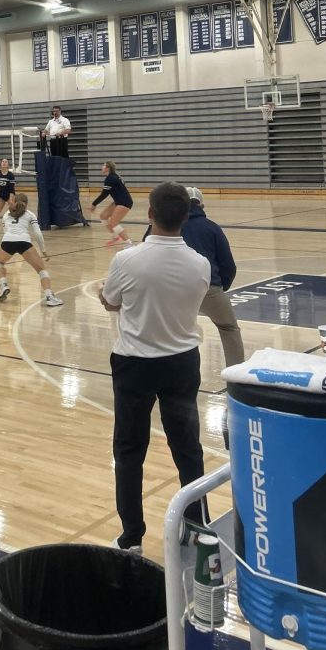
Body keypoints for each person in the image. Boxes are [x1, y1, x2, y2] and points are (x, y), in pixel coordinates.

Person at [99, 182, 210, 553]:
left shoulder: (127, 261)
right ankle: (196, 524)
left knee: (129, 450)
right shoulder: (200, 264)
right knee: (188, 448)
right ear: (186, 216)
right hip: (182, 364)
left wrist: (109, 297)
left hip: (135, 366)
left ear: (150, 215)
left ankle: (132, 537)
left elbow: (111, 302)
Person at [183, 188, 244, 367]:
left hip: (176, 289)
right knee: (229, 328)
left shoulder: (170, 225)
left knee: (176, 329)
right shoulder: (212, 227)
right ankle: (236, 373)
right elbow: (228, 265)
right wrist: (219, 288)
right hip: (209, 287)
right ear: (201, 205)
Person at [0, 194, 63, 307]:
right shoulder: (30, 214)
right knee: (42, 270)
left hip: (7, 241)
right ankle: (49, 297)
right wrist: (43, 250)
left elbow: (5, 229)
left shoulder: (6, 214)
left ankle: (4, 285)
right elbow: (38, 234)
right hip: (24, 242)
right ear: (26, 204)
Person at [91, 161, 134, 247]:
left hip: (124, 202)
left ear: (108, 168)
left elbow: (104, 194)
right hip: (119, 201)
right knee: (103, 216)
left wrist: (94, 204)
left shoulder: (110, 179)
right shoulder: (114, 177)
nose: (102, 167)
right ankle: (115, 237)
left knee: (114, 222)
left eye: (103, 165)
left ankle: (129, 243)